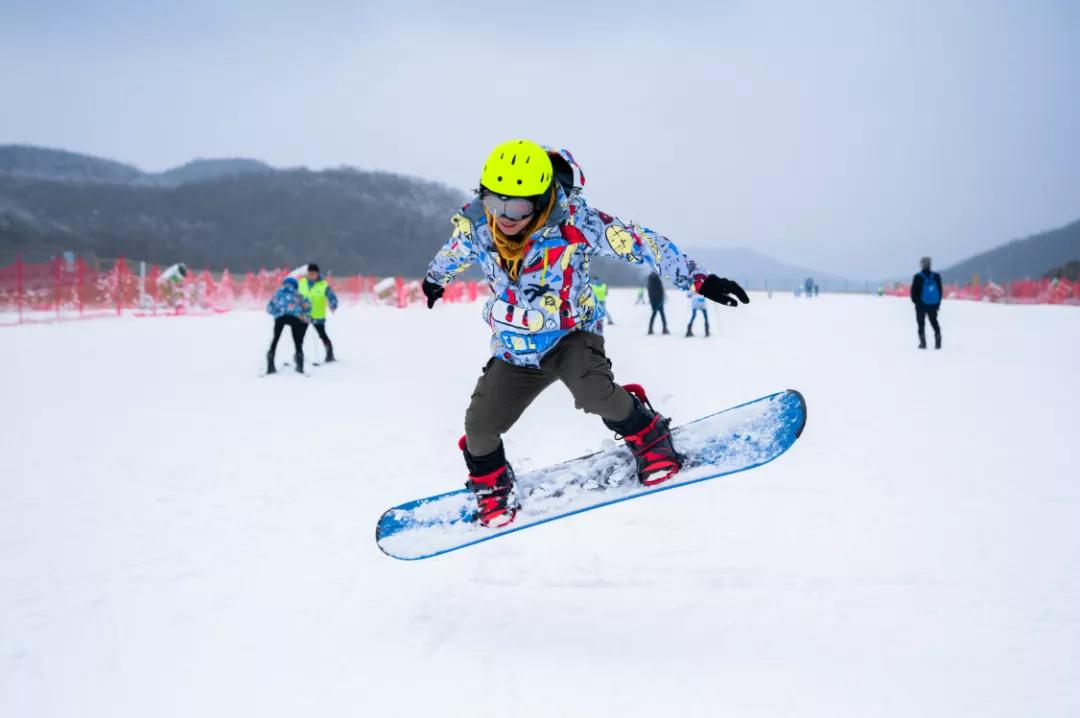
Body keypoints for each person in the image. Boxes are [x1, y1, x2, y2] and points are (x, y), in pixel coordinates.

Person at [421, 139, 749, 527]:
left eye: (519, 205)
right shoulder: (478, 227)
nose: (505, 215)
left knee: (597, 396)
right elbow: (452, 253)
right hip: (515, 350)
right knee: (479, 428)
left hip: (571, 336)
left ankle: (648, 433)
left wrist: (700, 280)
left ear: (541, 199)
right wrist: (434, 280)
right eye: (495, 201)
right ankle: (492, 485)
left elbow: (644, 244)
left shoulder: (575, 224)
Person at [266, 276, 311, 373]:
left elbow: (269, 308)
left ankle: (270, 364)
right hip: (295, 318)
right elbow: (307, 308)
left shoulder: (277, 293)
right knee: (297, 342)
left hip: (280, 318)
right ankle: (300, 365)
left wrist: (278, 313)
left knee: (275, 339)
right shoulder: (298, 294)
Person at [297, 263, 339, 363]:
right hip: (304, 315)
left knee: (322, 335)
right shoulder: (301, 282)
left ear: (317, 274)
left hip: (318, 315)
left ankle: (330, 354)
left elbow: (332, 297)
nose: (311, 276)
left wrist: (333, 305)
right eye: (309, 273)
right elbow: (294, 294)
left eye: (313, 273)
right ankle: (298, 356)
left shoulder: (323, 285)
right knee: (299, 336)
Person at [910, 256, 943, 349]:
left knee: (921, 324)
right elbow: (940, 291)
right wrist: (937, 304)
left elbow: (913, 292)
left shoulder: (918, 277)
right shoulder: (936, 276)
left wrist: (916, 302)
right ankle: (938, 341)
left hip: (921, 305)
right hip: (933, 304)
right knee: (934, 322)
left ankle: (923, 343)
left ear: (921, 264)